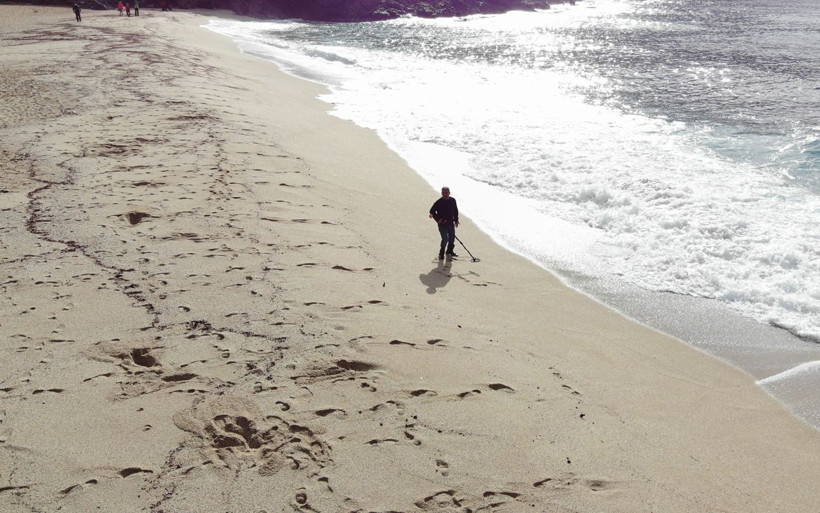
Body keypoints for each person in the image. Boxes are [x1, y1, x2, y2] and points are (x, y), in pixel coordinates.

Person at [429, 186, 460, 260]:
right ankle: (441, 253)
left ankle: (449, 251)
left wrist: (456, 220)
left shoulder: (453, 200)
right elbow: (431, 211)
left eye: (447, 192)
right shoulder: (438, 202)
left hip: (450, 223)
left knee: (452, 239)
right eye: (444, 192)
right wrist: (438, 219)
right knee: (445, 239)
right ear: (441, 193)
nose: (445, 194)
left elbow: (455, 211)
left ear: (449, 193)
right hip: (442, 224)